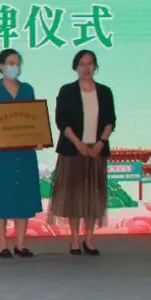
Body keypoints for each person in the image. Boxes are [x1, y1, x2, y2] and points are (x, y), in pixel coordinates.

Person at [50, 49, 116, 256]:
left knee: (93, 195)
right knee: (74, 196)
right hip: (72, 150)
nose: (86, 67)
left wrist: (100, 143)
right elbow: (61, 121)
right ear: (75, 67)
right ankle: (75, 239)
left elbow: (110, 120)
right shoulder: (67, 90)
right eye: (82, 64)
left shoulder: (105, 91)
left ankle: (89, 238)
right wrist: (78, 144)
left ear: (95, 66)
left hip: (97, 150)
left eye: (90, 63)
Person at [0, 48, 43, 258]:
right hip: (0, 154)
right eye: (11, 63)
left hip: (24, 153)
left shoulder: (27, 90)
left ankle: (21, 244)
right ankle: (1, 244)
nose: (15, 67)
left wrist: (39, 137)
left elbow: (35, 119)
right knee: (1, 196)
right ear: (1, 66)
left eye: (17, 63)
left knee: (23, 195)